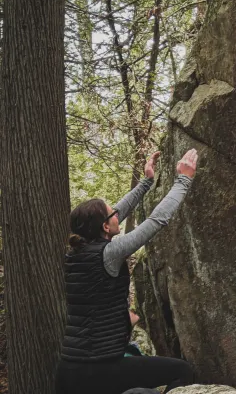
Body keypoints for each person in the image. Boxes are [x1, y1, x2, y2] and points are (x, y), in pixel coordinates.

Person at [56, 149, 199, 394]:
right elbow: (156, 221)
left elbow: (116, 212)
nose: (118, 216)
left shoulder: (76, 253)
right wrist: (184, 179)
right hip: (98, 370)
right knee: (181, 371)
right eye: (113, 215)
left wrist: (146, 183)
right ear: (104, 226)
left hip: (69, 371)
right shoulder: (109, 253)